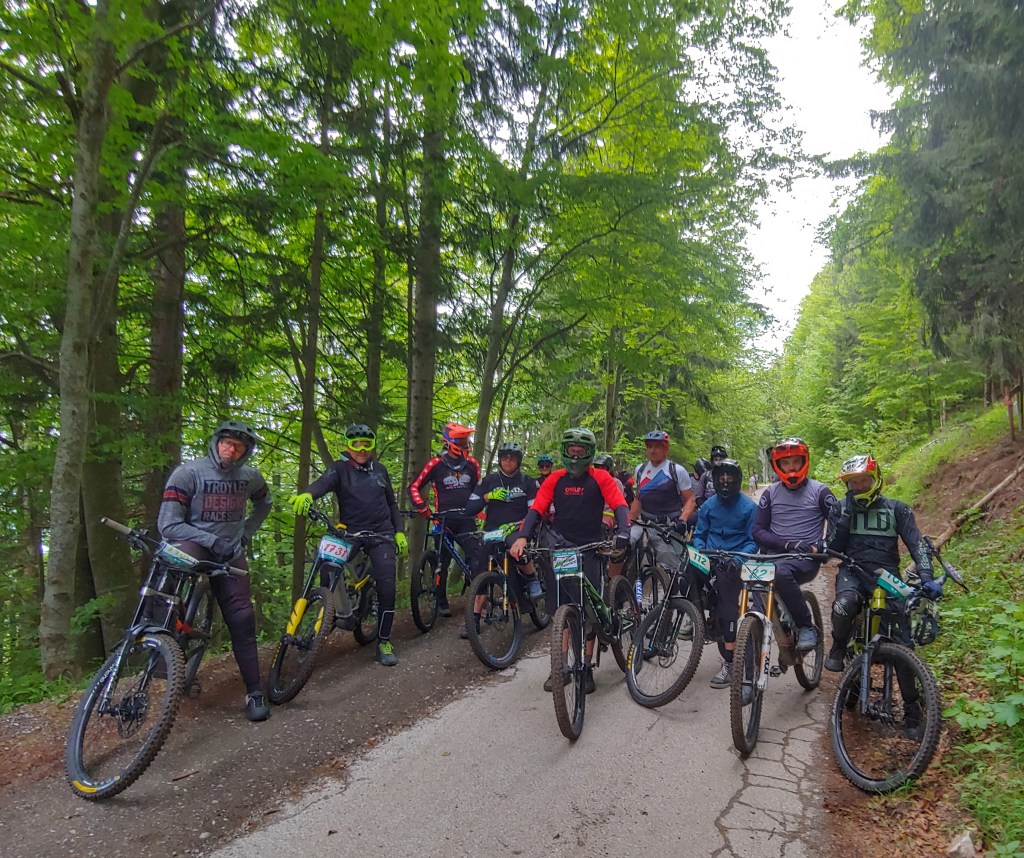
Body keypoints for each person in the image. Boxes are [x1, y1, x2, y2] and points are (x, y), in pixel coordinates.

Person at [158, 419, 272, 722]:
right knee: (167, 574)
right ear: (216, 442)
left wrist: (245, 533)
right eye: (227, 443)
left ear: (246, 452)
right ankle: (156, 648)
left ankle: (254, 691)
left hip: (229, 553)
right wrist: (210, 540)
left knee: (242, 618)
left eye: (239, 447)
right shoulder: (187, 474)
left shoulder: (250, 477)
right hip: (194, 543)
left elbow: (264, 504)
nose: (231, 450)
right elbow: (168, 525)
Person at [509, 428, 629, 693]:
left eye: (580, 450)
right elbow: (537, 509)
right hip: (562, 546)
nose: (575, 456)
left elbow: (619, 505)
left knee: (589, 608)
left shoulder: (601, 477)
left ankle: (586, 666)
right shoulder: (555, 479)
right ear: (564, 451)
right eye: (571, 450)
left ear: (589, 453)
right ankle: (561, 667)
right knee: (561, 607)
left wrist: (624, 530)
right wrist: (522, 537)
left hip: (591, 546)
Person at [287, 424, 407, 667]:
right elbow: (322, 483)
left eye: (367, 444)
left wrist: (399, 532)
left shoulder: (380, 470)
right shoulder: (339, 468)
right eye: (356, 444)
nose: (362, 449)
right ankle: (334, 615)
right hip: (351, 532)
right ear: (348, 446)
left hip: (381, 534)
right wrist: (308, 494)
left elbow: (392, 504)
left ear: (372, 446)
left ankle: (384, 641)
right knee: (328, 568)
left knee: (387, 587)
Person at [824, 454, 937, 676]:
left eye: (864, 480)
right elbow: (832, 547)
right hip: (853, 571)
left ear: (875, 479)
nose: (858, 487)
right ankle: (838, 646)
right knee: (843, 606)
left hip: (887, 576)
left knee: (904, 641)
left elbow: (917, 545)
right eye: (853, 483)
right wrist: (847, 516)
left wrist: (926, 576)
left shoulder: (898, 509)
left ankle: (911, 697)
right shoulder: (839, 508)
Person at [752, 437, 838, 652]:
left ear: (804, 461)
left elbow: (839, 527)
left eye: (795, 462)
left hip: (805, 558)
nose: (791, 467)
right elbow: (758, 531)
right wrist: (788, 544)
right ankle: (752, 636)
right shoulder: (770, 493)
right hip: (775, 555)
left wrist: (822, 547)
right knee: (750, 579)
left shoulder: (820, 492)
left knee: (780, 573)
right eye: (786, 463)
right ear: (778, 465)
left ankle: (806, 626)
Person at [690, 459, 758, 688]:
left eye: (730, 478)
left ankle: (729, 662)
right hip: (709, 557)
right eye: (722, 478)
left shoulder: (749, 508)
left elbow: (753, 541)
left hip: (733, 562)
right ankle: (697, 619)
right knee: (685, 575)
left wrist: (738, 560)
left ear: (737, 480)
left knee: (728, 607)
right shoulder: (709, 505)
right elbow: (699, 534)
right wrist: (700, 552)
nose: (726, 482)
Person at [463, 441, 541, 639]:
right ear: (499, 459)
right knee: (479, 568)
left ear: (518, 461)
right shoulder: (488, 481)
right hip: (492, 531)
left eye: (512, 457)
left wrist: (525, 527)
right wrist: (487, 497)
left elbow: (535, 510)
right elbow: (470, 509)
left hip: (517, 527)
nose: (508, 460)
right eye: (504, 457)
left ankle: (531, 578)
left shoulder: (527, 482)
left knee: (518, 550)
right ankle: (474, 619)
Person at [408, 422, 481, 617]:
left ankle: (478, 599)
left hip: (466, 518)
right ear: (449, 442)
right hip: (442, 520)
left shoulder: (472, 464)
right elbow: (414, 487)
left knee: (476, 557)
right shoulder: (435, 464)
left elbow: (479, 490)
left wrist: (481, 509)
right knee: (441, 562)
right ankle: (441, 601)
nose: (464, 443)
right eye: (460, 440)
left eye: (466, 440)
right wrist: (423, 507)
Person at [620, 429, 696, 576]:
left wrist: (682, 520)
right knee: (621, 545)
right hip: (645, 524)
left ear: (665, 449)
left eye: (657, 447)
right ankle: (617, 584)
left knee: (672, 569)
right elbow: (638, 500)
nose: (652, 450)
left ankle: (672, 587)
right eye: (649, 446)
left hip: (668, 526)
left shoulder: (676, 471)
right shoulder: (640, 470)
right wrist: (627, 523)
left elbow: (690, 500)